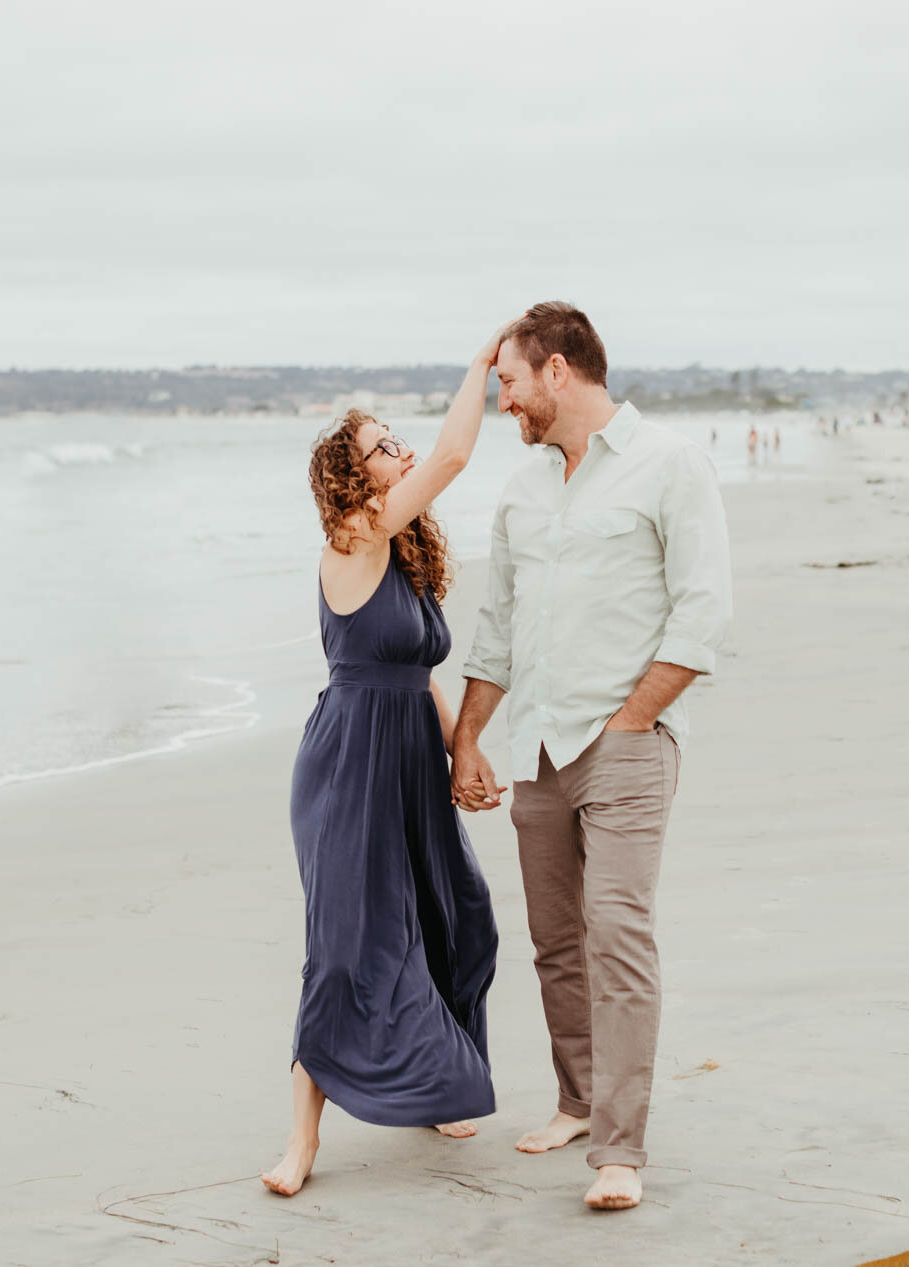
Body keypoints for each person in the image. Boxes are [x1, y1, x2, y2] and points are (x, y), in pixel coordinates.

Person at [450, 302, 733, 1212]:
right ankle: (577, 1098)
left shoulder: (671, 465)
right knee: (556, 943)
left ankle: (620, 1149)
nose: (506, 404)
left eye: (511, 383)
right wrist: (467, 736)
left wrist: (631, 721)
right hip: (535, 745)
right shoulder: (523, 490)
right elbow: (496, 630)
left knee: (617, 933)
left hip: (628, 744)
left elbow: (702, 615)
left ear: (559, 371)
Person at [261, 325, 508, 1198]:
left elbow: (418, 672)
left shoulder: (404, 554)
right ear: (352, 478)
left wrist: (461, 751)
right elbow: (452, 455)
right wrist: (481, 367)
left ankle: (436, 1079)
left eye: (393, 437)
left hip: (408, 760)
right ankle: (301, 1139)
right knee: (343, 948)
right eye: (380, 447)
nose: (399, 452)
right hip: (350, 770)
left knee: (458, 916)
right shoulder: (356, 538)